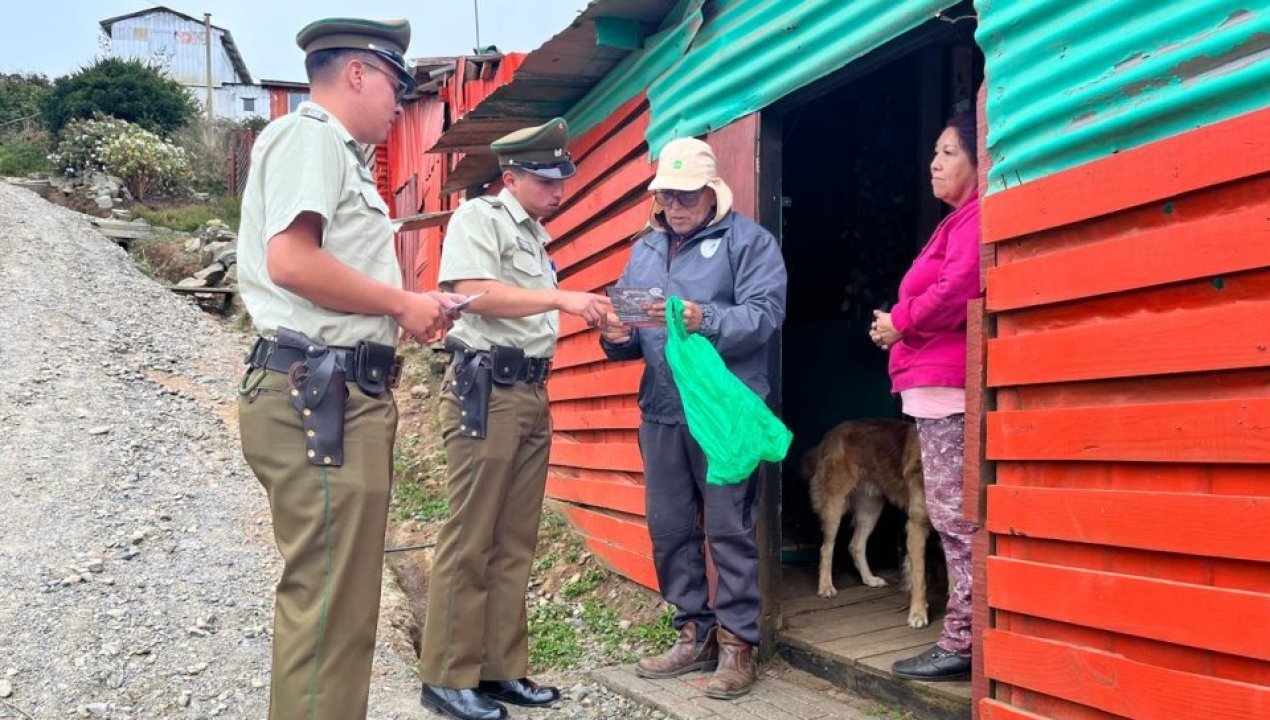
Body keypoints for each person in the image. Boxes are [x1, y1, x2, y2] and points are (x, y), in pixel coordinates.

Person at [235, 17, 463, 720]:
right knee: (331, 610)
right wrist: (401, 302)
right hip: (320, 393)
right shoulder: (310, 138)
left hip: (334, 390)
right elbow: (291, 262)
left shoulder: (337, 154)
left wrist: (406, 309)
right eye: (397, 83)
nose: (400, 101)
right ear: (358, 73)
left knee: (341, 606)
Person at [418, 118, 612, 720]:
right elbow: (474, 293)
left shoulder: (532, 235)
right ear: (511, 178)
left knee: (514, 538)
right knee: (472, 534)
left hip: (529, 390)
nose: (558, 191)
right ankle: (446, 676)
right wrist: (560, 298)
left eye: (561, 180)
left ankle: (499, 668)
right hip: (487, 390)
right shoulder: (480, 218)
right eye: (545, 180)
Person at [599, 137, 788, 699]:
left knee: (729, 528)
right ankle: (694, 633)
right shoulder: (646, 248)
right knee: (670, 527)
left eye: (685, 195)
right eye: (666, 195)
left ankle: (737, 643)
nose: (674, 206)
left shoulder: (749, 242)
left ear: (711, 192)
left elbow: (765, 316)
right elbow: (633, 333)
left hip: (724, 411)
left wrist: (705, 318)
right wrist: (616, 336)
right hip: (662, 408)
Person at [870, 112, 982, 681]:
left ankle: (963, 640)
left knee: (955, 518)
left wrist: (901, 321)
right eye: (934, 152)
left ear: (978, 160)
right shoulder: (956, 221)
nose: (934, 163)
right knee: (948, 514)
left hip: (948, 388)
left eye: (948, 152)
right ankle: (966, 634)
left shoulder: (975, 218)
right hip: (933, 389)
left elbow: (958, 288)